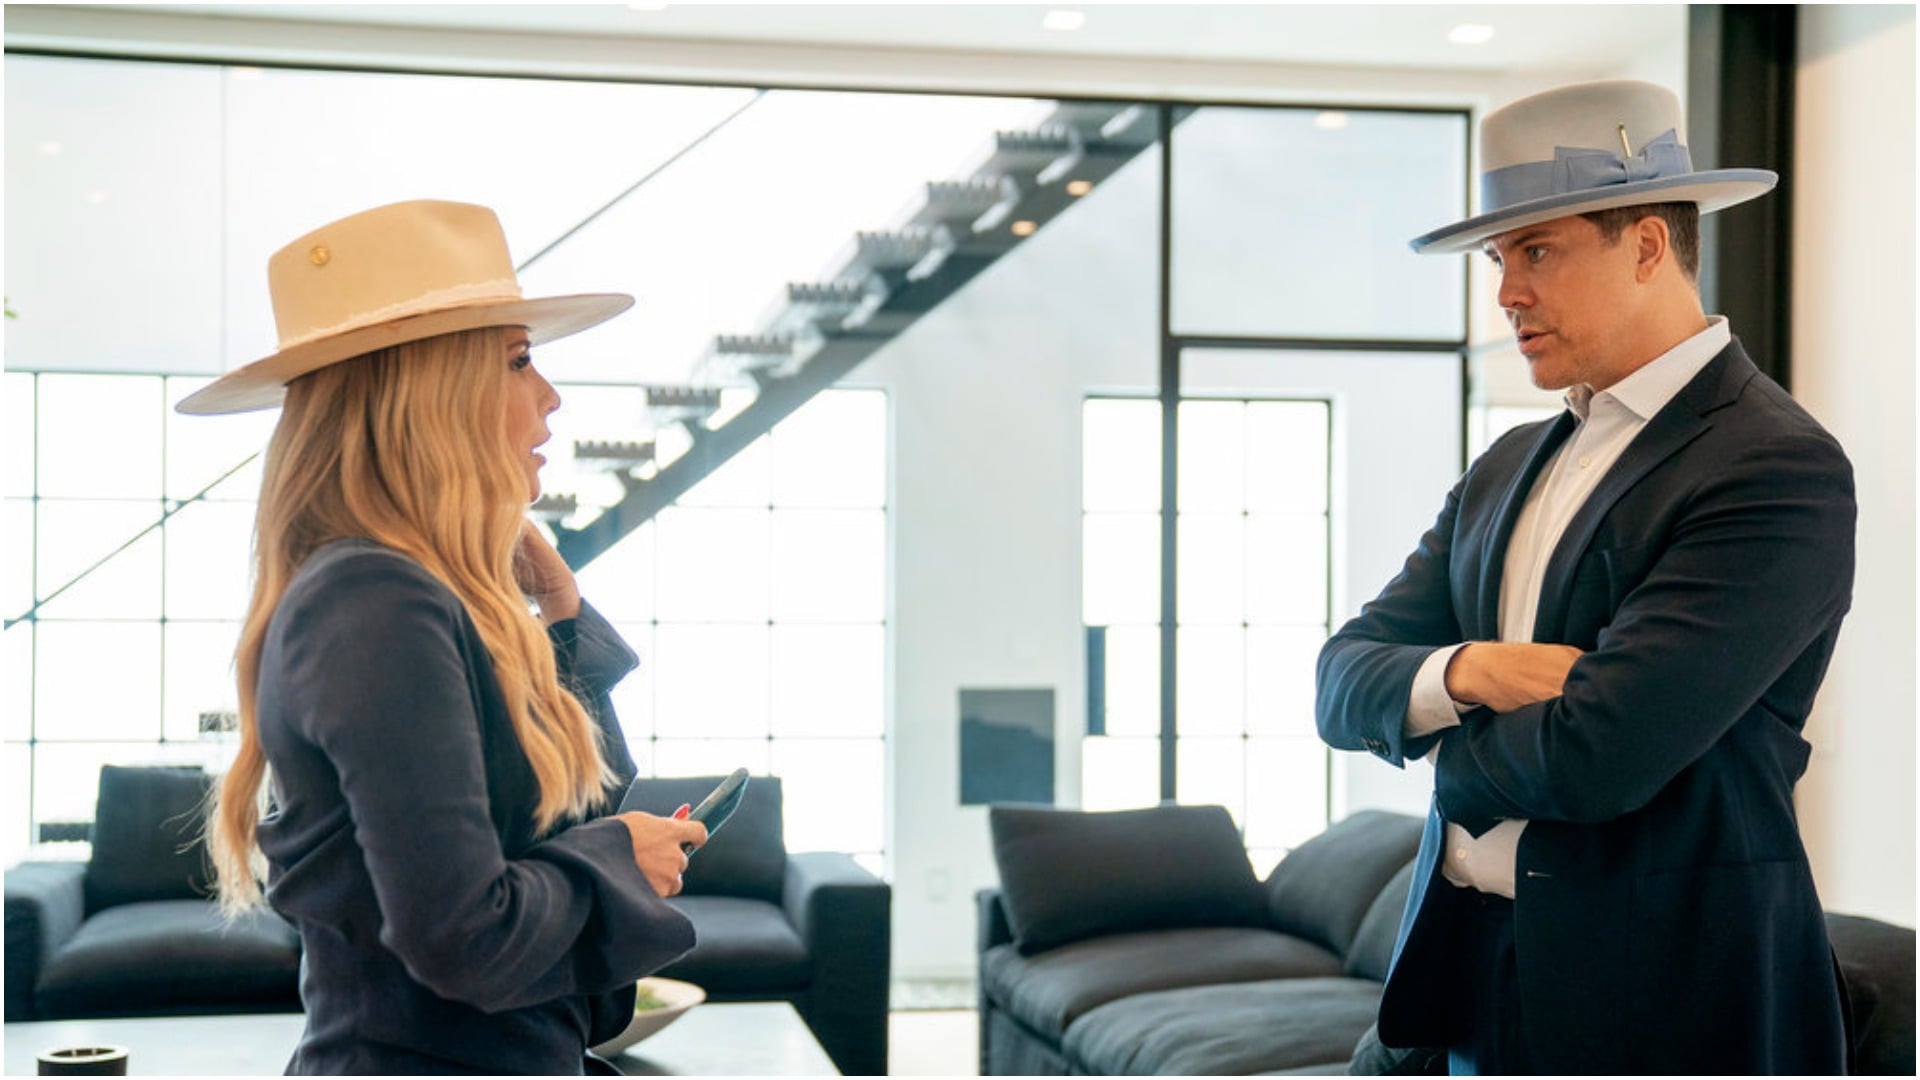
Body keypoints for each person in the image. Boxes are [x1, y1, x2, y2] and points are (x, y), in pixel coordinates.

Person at [1315, 81, 1855, 1073]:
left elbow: (1599, 754)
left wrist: (1439, 740)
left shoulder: (1775, 464)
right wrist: (1473, 671)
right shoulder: (1505, 465)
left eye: (1537, 252)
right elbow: (1339, 678)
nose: (1506, 294)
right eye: (1499, 260)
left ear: (1646, 246)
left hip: (1660, 999)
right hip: (1464, 975)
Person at [188, 199, 709, 1074]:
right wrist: (621, 856)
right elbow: (468, 936)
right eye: (518, 360)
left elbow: (552, 824)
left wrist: (562, 617)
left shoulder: (403, 596)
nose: (550, 396)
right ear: (425, 390)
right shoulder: (371, 601)